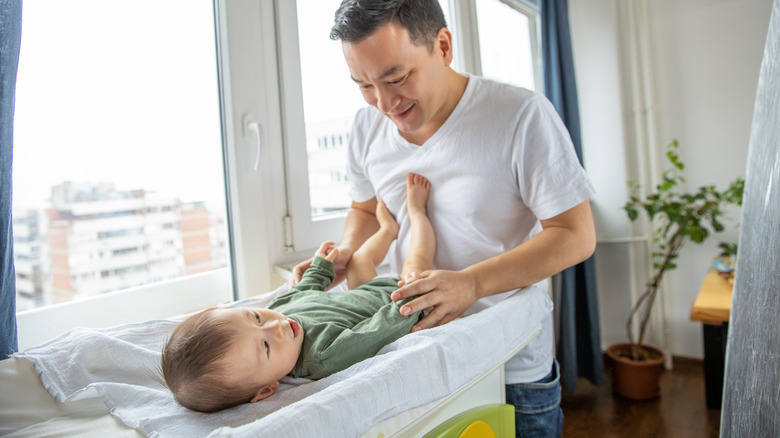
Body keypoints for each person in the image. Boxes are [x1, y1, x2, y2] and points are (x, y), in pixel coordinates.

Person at [291, 1, 596, 436]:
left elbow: (575, 235)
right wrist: (348, 252)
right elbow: (363, 209)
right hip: (410, 359)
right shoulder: (365, 128)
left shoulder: (520, 116)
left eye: (396, 78)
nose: (384, 103)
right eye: (364, 85)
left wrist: (470, 283)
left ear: (444, 45)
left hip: (506, 363)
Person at [162, 173, 436, 412]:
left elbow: (306, 288)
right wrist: (410, 298)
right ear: (267, 389)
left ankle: (389, 229)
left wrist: (321, 265)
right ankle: (417, 213)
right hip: (397, 296)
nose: (275, 326)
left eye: (256, 317)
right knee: (417, 259)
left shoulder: (279, 310)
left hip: (362, 290)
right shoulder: (323, 355)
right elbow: (376, 331)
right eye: (266, 346)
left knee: (360, 260)